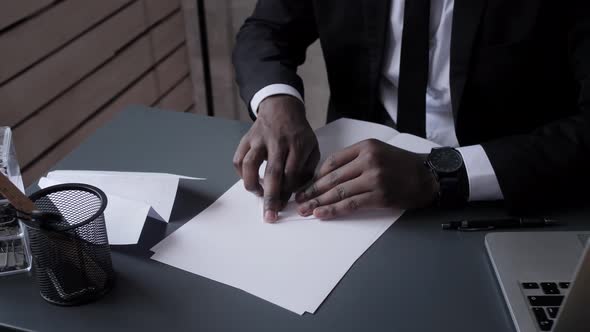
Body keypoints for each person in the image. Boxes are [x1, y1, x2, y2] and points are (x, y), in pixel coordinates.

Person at [232, 0, 590, 223]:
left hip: (513, 196)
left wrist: (442, 173)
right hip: (356, 195)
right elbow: (266, 29)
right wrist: (276, 101)